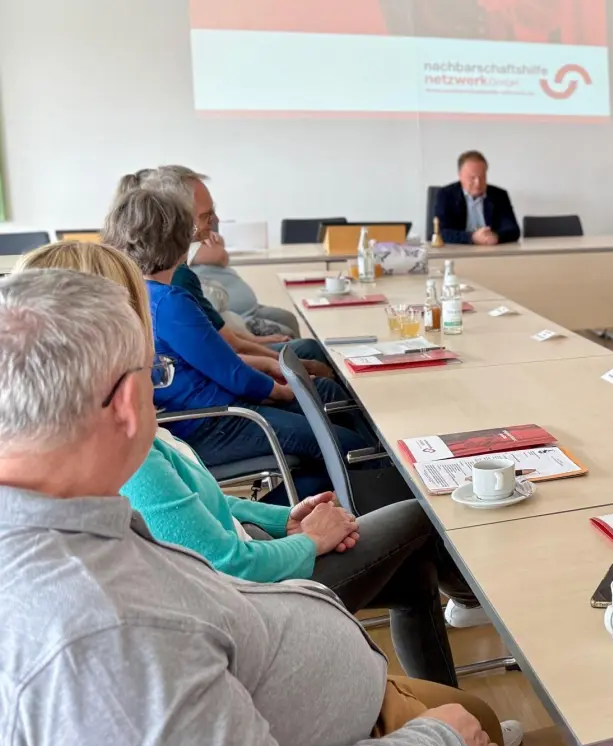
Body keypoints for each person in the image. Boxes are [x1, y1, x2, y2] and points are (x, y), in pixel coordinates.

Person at [0, 268, 613, 746]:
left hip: (300, 739)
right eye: (153, 374)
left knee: (480, 716)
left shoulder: (63, 516)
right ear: (127, 405)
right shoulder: (90, 626)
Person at [12, 241, 486, 698]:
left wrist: (284, 518)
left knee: (411, 569)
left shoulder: (122, 441)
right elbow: (229, 568)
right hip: (258, 595)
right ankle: (475, 610)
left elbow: (203, 501)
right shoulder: (130, 455)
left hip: (258, 551)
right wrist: (308, 541)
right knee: (417, 517)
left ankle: (442, 696)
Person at [101, 187, 368, 493]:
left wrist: (279, 378)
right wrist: (284, 392)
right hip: (216, 422)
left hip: (202, 415)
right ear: (180, 239)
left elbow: (218, 362)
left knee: (326, 410)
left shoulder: (140, 294)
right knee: (349, 447)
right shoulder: (170, 302)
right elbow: (235, 377)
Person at [124, 165, 302, 338]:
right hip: (233, 340)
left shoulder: (176, 271)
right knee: (305, 349)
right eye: (206, 215)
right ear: (178, 217)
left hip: (234, 333)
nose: (216, 220)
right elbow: (222, 352)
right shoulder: (175, 276)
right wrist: (267, 357)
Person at [433, 150, 521, 246]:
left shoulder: (499, 195)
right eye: (472, 178)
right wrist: (472, 237)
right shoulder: (446, 195)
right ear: (460, 176)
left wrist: (496, 236)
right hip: (458, 251)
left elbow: (513, 230)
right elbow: (441, 232)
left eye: (482, 177)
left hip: (492, 251)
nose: (478, 183)